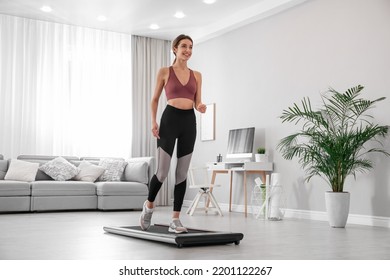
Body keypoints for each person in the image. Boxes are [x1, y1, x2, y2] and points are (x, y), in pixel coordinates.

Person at [139, 34, 207, 233]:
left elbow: (197, 101)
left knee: (181, 173)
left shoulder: (197, 75)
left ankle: (175, 219)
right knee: (162, 172)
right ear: (175, 49)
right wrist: (153, 121)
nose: (188, 50)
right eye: (184, 46)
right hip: (169, 120)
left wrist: (201, 106)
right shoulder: (164, 72)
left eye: (191, 47)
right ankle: (149, 205)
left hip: (189, 122)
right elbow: (154, 99)